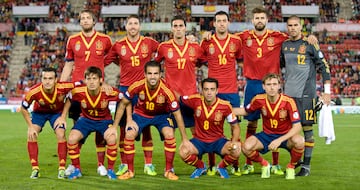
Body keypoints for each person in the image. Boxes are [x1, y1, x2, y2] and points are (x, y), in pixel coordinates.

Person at [112, 61, 187, 181]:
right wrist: (117, 125)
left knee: (169, 134)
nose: (153, 76)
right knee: (129, 134)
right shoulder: (137, 85)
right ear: (145, 74)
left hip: (161, 116)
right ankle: (130, 171)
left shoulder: (167, 90)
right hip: (141, 115)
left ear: (160, 74)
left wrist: (184, 139)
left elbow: (177, 115)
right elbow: (123, 104)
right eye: (150, 73)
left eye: (156, 73)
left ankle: (168, 170)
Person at [104, 14, 159, 176]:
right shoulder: (118, 45)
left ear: (139, 26)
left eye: (136, 23)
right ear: (126, 26)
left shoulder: (149, 42)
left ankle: (148, 164)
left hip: (145, 90)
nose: (133, 26)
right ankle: (123, 164)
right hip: (125, 90)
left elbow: (165, 49)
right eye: (130, 23)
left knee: (147, 127)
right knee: (122, 129)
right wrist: (103, 82)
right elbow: (104, 61)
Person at [60, 9, 113, 176]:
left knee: (101, 125)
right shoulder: (72, 40)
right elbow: (68, 65)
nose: (85, 20)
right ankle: (74, 164)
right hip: (78, 91)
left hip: (98, 90)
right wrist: (62, 86)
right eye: (82, 18)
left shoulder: (105, 40)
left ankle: (100, 164)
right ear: (80, 22)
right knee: (78, 127)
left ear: (94, 21)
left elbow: (114, 58)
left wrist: (104, 81)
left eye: (88, 18)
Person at [280, 15, 331, 176]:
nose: (293, 28)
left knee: (307, 130)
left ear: (300, 26)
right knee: (287, 132)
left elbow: (324, 67)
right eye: (290, 25)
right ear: (287, 27)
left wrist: (327, 91)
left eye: (296, 25)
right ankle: (298, 159)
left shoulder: (310, 44)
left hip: (306, 95)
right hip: (288, 97)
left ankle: (306, 167)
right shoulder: (285, 45)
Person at [234, 73, 305, 180]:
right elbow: (245, 111)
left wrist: (279, 140)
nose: (272, 87)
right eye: (268, 84)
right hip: (267, 136)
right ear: (263, 86)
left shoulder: (288, 101)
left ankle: (291, 166)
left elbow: (297, 126)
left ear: (279, 86)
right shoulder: (258, 99)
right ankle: (265, 165)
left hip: (285, 136)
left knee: (300, 141)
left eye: (274, 84)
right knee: (246, 147)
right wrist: (224, 109)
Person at [58, 66, 122, 180]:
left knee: (112, 138)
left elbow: (125, 100)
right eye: (89, 78)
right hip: (86, 120)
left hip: (104, 121)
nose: (91, 82)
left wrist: (116, 125)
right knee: (72, 138)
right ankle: (77, 169)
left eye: (94, 78)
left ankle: (111, 170)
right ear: (85, 80)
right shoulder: (78, 92)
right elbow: (68, 99)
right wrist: (63, 117)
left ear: (101, 80)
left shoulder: (108, 91)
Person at [200, 10, 243, 176]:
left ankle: (235, 164)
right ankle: (211, 165)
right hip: (213, 92)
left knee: (235, 129)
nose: (222, 23)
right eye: (218, 21)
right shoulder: (207, 42)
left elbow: (239, 60)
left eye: (224, 20)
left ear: (228, 22)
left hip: (231, 91)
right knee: (211, 129)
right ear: (214, 23)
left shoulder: (236, 41)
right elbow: (200, 59)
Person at [178, 78, 241, 179]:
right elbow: (179, 98)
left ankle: (221, 167)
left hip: (218, 141)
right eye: (206, 89)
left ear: (217, 91)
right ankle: (201, 166)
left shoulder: (225, 106)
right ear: (202, 90)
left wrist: (233, 142)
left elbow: (236, 127)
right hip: (199, 141)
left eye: (212, 89)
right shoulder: (195, 100)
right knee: (183, 151)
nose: (209, 92)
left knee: (237, 149)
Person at [20, 67, 75, 179]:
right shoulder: (34, 91)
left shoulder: (64, 86)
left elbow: (76, 90)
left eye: (50, 78)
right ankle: (35, 169)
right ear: (41, 79)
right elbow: (23, 108)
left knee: (61, 133)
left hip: (56, 114)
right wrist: (30, 127)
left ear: (56, 80)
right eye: (45, 78)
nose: (47, 81)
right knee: (31, 134)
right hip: (39, 114)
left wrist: (63, 116)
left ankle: (62, 169)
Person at [155, 15, 205, 132]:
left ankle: (194, 150)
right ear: (171, 29)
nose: (178, 28)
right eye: (175, 26)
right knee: (169, 132)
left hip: (191, 95)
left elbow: (202, 61)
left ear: (185, 28)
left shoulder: (195, 47)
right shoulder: (163, 47)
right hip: (171, 95)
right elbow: (154, 65)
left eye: (181, 26)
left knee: (196, 131)